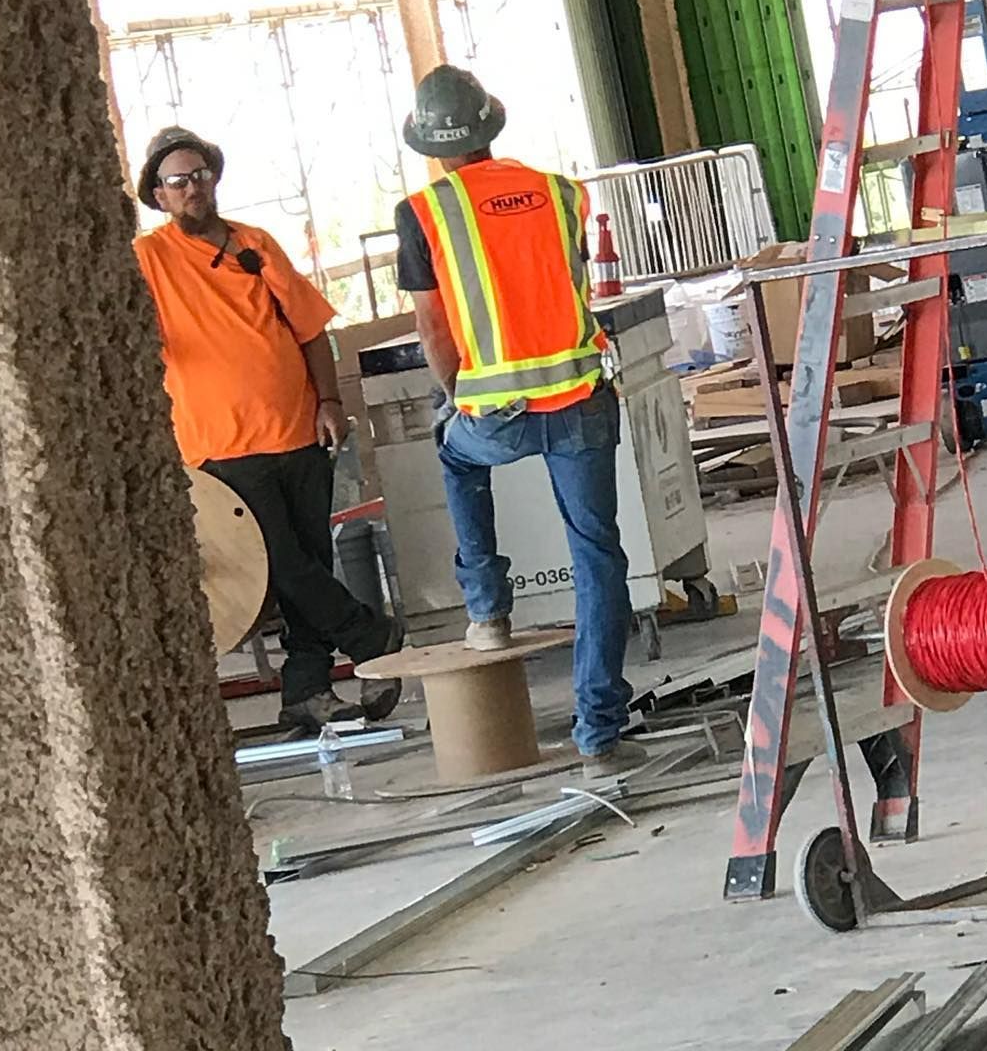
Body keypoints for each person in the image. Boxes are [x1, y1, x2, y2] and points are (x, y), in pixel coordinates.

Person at [392, 66, 644, 775]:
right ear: (491, 127)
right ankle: (599, 732)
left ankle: (487, 607)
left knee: (455, 456)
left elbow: (433, 327)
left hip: (496, 411)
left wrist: (456, 395)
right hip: (580, 398)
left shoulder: (424, 211)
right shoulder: (560, 192)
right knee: (598, 556)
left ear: (432, 147)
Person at [133, 126, 403, 733]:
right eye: (178, 182)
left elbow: (310, 331)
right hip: (219, 447)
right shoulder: (148, 259)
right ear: (159, 194)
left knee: (309, 559)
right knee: (280, 565)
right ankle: (371, 635)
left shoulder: (256, 244)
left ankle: (306, 692)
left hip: (298, 431)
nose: (193, 188)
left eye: (200, 175)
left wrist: (329, 400)